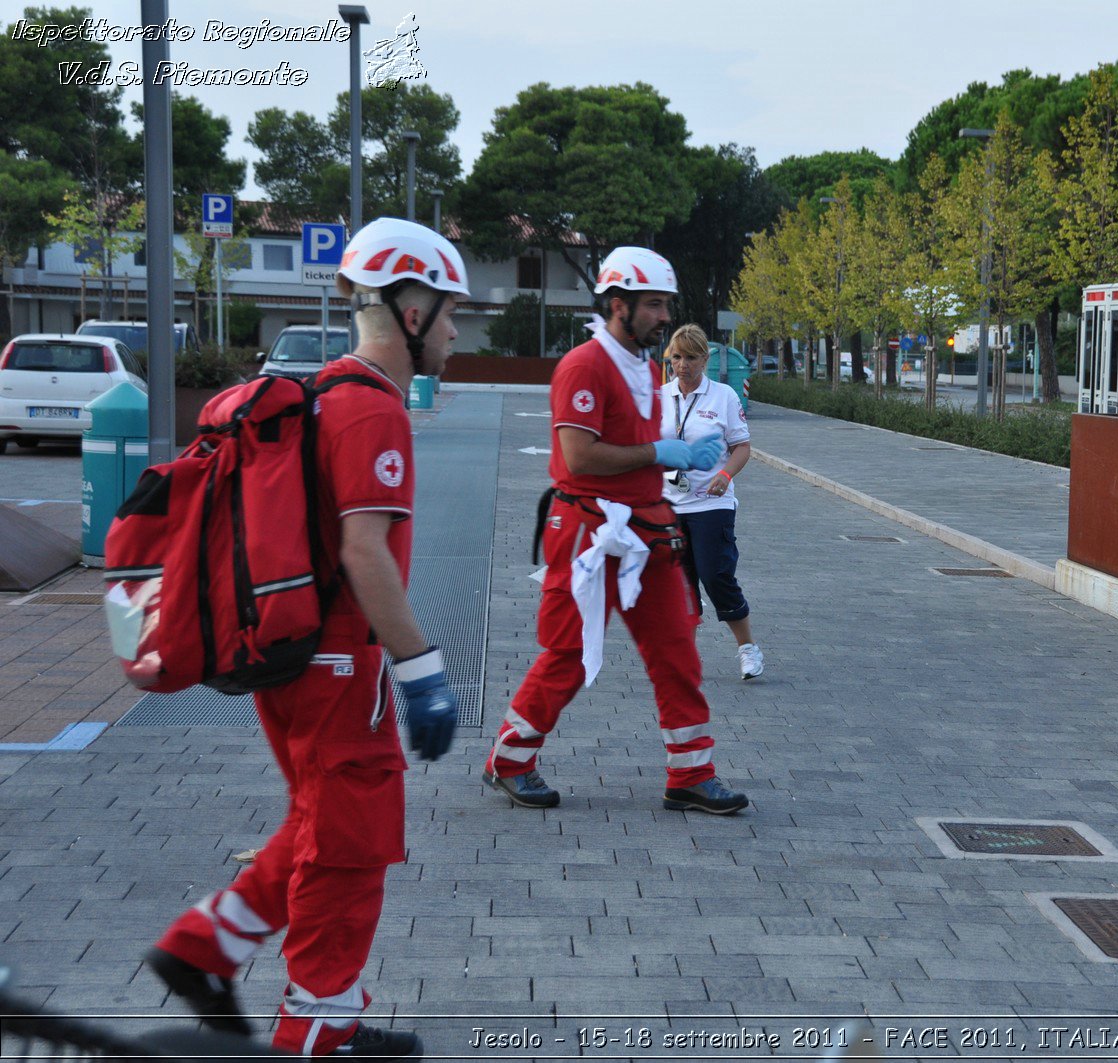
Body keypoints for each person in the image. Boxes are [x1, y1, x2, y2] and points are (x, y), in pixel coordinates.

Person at [144, 218, 466, 1057]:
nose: (458, 330)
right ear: (410, 307)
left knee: (319, 823)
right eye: (451, 310)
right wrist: (422, 668)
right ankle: (316, 1032)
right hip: (338, 667)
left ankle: (204, 947)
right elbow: (366, 553)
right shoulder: (371, 413)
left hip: (292, 661)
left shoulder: (324, 394)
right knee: (350, 851)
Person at [483, 247, 750, 816]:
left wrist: (669, 459)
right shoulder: (585, 365)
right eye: (652, 305)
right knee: (569, 654)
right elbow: (578, 456)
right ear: (617, 303)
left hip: (644, 529)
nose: (662, 317)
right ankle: (509, 760)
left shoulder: (640, 365)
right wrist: (663, 450)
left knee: (678, 651)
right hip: (590, 532)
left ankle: (691, 774)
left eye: (665, 305)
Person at [660, 324, 764, 680]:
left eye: (690, 357)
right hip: (669, 504)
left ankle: (748, 649)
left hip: (710, 503)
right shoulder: (660, 397)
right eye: (677, 357)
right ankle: (686, 658)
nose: (683, 364)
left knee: (715, 576)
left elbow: (742, 447)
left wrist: (725, 475)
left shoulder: (723, 396)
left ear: (705, 358)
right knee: (679, 583)